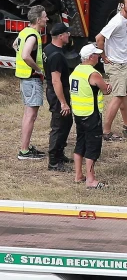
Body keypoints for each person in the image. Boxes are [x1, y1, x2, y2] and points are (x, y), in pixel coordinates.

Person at [96, 0, 127, 141]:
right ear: (122, 5)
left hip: (124, 62)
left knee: (124, 94)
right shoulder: (116, 21)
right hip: (116, 65)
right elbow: (99, 38)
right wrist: (103, 56)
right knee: (118, 96)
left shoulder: (126, 18)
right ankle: (106, 131)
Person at [70, 43, 110, 189]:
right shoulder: (93, 74)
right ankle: (91, 180)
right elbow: (105, 90)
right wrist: (107, 87)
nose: (99, 57)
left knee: (80, 143)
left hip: (79, 113)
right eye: (97, 55)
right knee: (93, 146)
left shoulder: (76, 70)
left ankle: (78, 175)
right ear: (91, 57)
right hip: (91, 115)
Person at [14, 5, 47, 159]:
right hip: (31, 78)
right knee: (31, 115)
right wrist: (38, 69)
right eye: (45, 16)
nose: (47, 19)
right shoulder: (33, 35)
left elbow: (16, 45)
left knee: (28, 113)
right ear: (38, 19)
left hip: (24, 77)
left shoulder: (24, 32)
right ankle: (24, 151)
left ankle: (25, 148)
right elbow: (26, 55)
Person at [42, 23, 73, 172]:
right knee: (59, 125)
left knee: (66, 122)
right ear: (61, 36)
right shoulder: (57, 56)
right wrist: (63, 103)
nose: (69, 35)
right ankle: (53, 161)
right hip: (57, 92)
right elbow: (56, 80)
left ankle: (60, 154)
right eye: (67, 33)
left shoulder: (48, 49)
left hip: (54, 91)